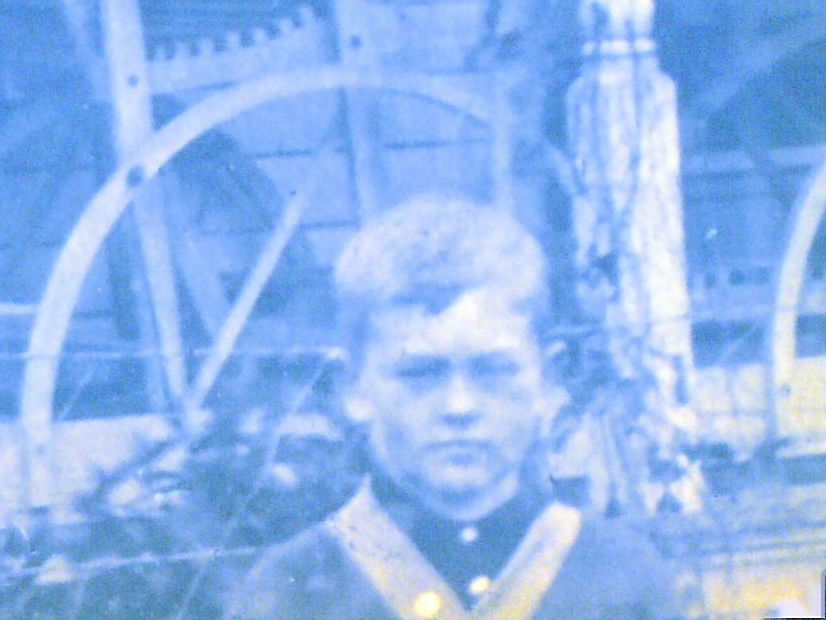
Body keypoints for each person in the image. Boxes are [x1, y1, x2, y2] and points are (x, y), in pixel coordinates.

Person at [225, 195, 682, 620]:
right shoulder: (292, 594)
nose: (459, 406)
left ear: (547, 378)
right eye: (420, 373)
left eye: (493, 370)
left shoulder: (622, 579)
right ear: (354, 388)